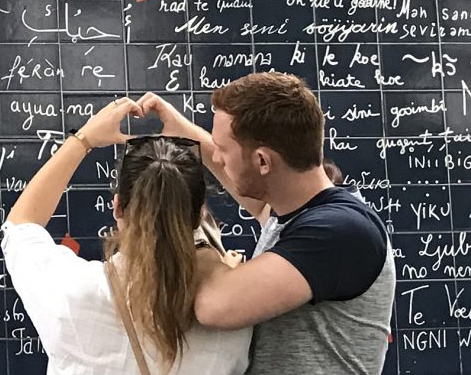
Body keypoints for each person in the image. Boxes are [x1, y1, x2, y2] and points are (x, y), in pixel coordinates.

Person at [136, 72, 396, 374]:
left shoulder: (340, 233)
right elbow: (257, 200)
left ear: (263, 162)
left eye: (224, 149)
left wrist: (193, 232)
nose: (216, 158)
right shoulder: (296, 211)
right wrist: (179, 129)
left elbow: (214, 306)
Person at [1, 98, 252, 375]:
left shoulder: (73, 295)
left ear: (118, 206)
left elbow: (20, 226)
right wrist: (190, 134)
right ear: (198, 216)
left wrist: (83, 140)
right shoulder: (237, 314)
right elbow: (273, 211)